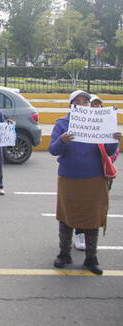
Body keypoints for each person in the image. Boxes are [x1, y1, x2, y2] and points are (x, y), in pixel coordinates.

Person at [49, 90, 122, 275]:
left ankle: (91, 258)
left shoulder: (99, 122)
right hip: (69, 177)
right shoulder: (62, 124)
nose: (83, 104)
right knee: (66, 217)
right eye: (78, 101)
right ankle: (64, 254)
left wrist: (114, 140)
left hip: (94, 178)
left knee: (93, 218)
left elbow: (108, 149)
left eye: (85, 101)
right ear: (71, 105)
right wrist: (62, 140)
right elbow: (53, 150)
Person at [74, 94, 120, 251]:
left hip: (102, 174)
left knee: (95, 207)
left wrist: (114, 142)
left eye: (99, 105)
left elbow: (113, 153)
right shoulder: (80, 125)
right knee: (81, 205)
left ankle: (90, 237)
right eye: (93, 105)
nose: (96, 108)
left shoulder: (108, 126)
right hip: (84, 174)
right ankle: (79, 233)